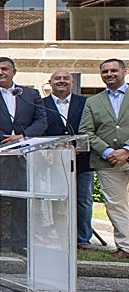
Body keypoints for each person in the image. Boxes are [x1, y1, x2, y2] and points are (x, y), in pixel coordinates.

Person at [0, 57, 47, 256]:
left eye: (4, 69)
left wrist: (23, 138)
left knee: (20, 200)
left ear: (14, 71)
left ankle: (19, 242)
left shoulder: (30, 94)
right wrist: (6, 139)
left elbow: (41, 120)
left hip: (21, 156)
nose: (0, 72)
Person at [78, 59, 129, 259]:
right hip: (107, 161)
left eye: (113, 70)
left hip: (126, 154)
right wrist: (108, 152)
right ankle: (125, 247)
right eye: (105, 71)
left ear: (125, 71)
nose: (109, 74)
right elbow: (86, 132)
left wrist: (126, 150)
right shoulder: (93, 101)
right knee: (115, 204)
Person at [43, 69, 94, 249]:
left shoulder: (86, 102)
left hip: (81, 161)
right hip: (52, 161)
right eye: (57, 78)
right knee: (56, 198)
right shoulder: (41, 104)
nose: (61, 81)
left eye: (66, 78)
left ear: (72, 82)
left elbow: (91, 127)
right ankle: (58, 233)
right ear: (50, 82)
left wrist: (77, 147)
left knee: (83, 199)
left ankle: (82, 238)